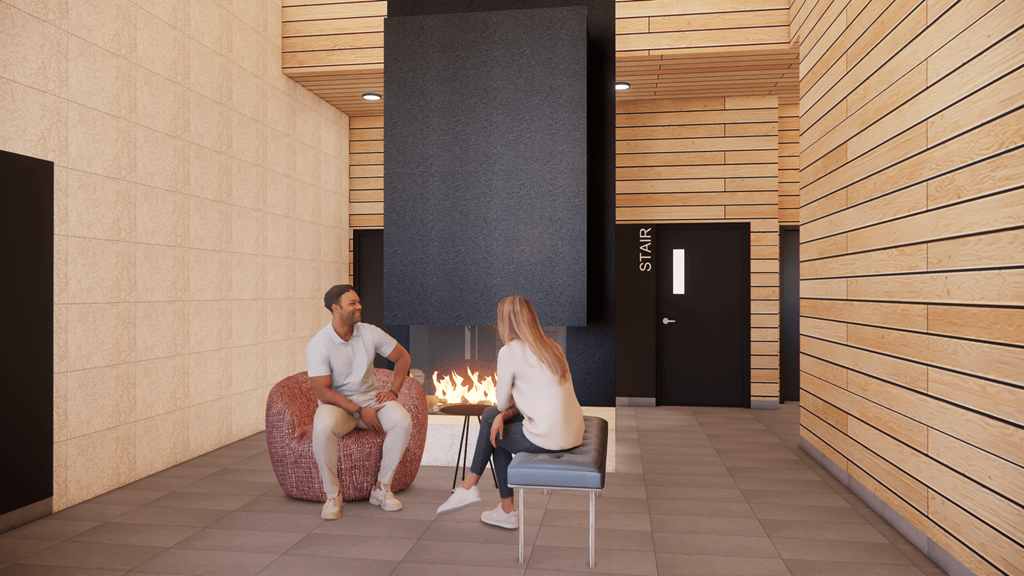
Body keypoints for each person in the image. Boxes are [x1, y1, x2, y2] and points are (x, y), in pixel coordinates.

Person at [435, 296, 585, 528]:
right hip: (573, 432)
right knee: (492, 420)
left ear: (505, 321)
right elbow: (522, 405)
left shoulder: (509, 352)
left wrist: (502, 414)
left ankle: (478, 491)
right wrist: (502, 416)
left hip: (549, 437)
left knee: (494, 432)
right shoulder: (551, 346)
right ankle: (484, 496)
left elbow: (501, 403)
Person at [305, 284, 413, 520]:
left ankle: (381, 489)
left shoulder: (370, 332)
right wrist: (359, 411)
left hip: (370, 399)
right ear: (336, 308)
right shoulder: (319, 344)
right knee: (322, 428)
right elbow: (324, 393)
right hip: (337, 406)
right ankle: (332, 495)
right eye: (352, 303)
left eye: (359, 302)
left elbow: (403, 357)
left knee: (402, 421)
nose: (359, 307)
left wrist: (393, 391)